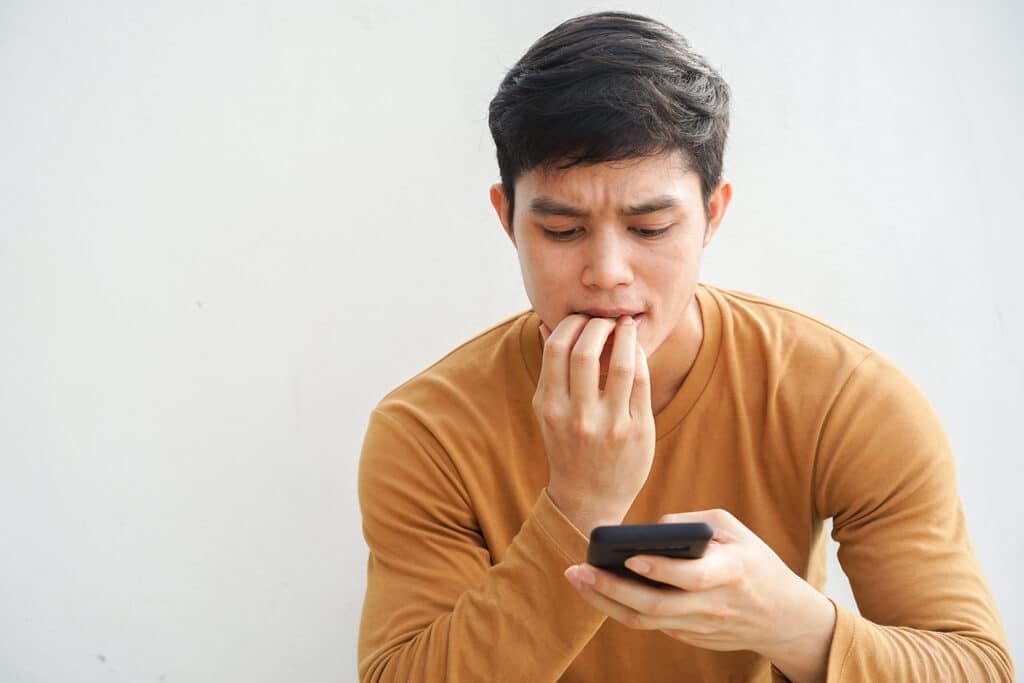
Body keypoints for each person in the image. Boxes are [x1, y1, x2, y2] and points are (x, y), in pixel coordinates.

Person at [356, 11, 1012, 682]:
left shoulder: (845, 397)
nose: (607, 270)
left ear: (712, 216)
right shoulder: (427, 429)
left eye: (650, 226)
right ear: (508, 220)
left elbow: (977, 666)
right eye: (561, 230)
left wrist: (792, 622)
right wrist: (579, 503)